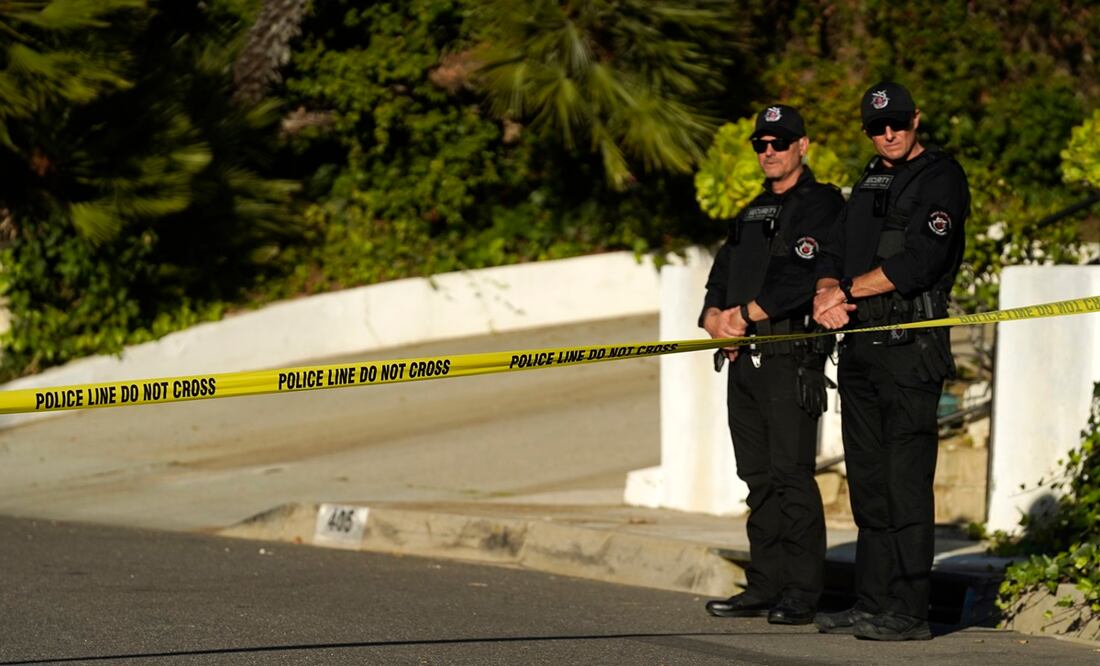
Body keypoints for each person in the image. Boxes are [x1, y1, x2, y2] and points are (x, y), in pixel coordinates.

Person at [812, 82, 969, 641]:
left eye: (898, 123)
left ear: (916, 119)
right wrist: (825, 291)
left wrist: (845, 292)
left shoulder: (940, 177)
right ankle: (871, 600)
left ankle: (909, 610)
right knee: (869, 485)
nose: (889, 133)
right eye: (878, 128)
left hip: (908, 349)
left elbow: (921, 262)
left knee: (905, 485)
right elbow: (833, 251)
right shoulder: (870, 177)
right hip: (860, 349)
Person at [701, 104, 844, 625]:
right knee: (756, 479)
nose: (768, 152)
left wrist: (746, 315)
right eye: (761, 144)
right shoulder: (751, 211)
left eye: (779, 143)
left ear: (802, 146)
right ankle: (764, 585)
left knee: (791, 477)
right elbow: (721, 272)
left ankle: (802, 592)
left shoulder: (821, 205)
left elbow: (804, 279)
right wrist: (715, 316)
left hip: (789, 357)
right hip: (743, 361)